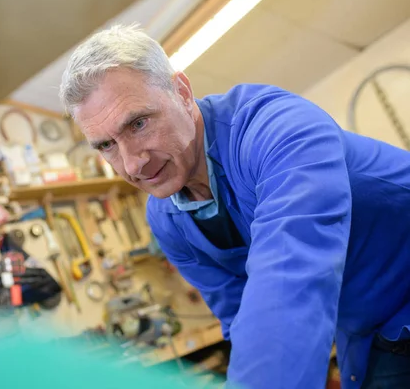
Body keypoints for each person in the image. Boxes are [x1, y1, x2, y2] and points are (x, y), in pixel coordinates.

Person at [59, 24, 410, 388]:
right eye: (106, 146)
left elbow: (292, 271)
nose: (132, 164)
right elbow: (242, 318)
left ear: (181, 92)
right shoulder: (167, 220)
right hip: (371, 331)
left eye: (138, 123)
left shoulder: (278, 129)